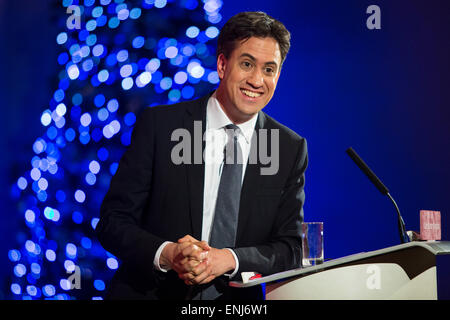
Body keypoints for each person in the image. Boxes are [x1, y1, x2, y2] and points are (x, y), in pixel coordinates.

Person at [96, 11, 308, 300]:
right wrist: (168, 253)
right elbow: (113, 222)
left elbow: (291, 250)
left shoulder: (288, 147)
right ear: (222, 64)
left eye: (269, 69)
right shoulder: (161, 126)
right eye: (247, 64)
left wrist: (230, 259)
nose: (257, 80)